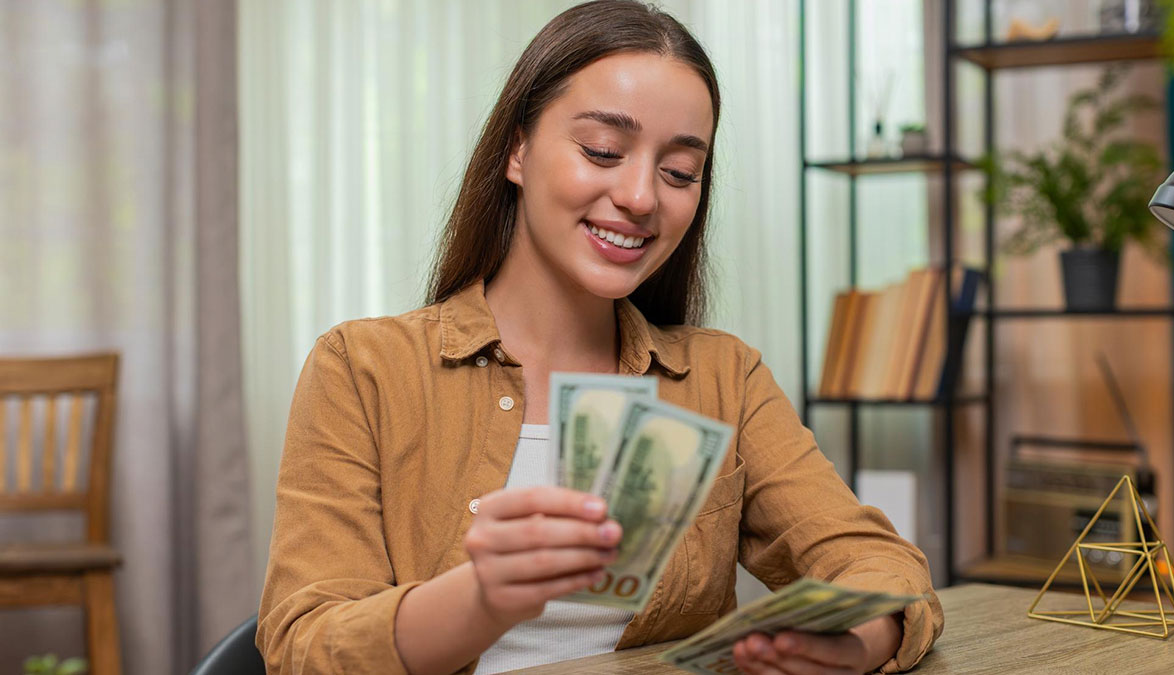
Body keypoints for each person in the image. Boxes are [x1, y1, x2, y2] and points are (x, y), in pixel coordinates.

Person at [256, 2, 944, 674]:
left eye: (680, 171)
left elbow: (878, 565)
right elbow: (303, 643)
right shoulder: (363, 368)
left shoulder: (723, 378)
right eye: (603, 150)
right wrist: (480, 596)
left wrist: (854, 643)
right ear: (517, 150)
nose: (642, 196)